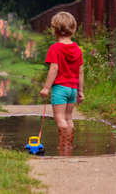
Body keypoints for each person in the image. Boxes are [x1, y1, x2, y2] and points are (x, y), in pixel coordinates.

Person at [40, 12, 84, 156]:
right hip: (72, 89)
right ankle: (69, 145)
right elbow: (80, 71)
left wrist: (46, 87)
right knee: (69, 118)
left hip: (60, 88)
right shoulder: (77, 49)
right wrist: (80, 91)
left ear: (55, 29)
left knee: (59, 119)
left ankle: (63, 146)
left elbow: (54, 68)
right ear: (73, 29)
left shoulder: (55, 48)